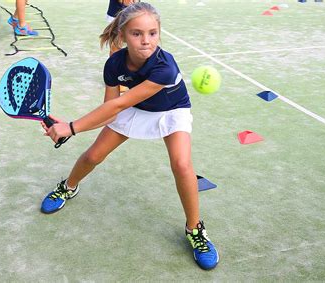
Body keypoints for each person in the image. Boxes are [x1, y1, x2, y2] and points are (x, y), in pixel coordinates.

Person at [40, 2, 219, 270]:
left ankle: (195, 230)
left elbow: (117, 105)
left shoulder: (165, 67)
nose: (146, 41)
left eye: (152, 33)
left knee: (182, 165)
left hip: (172, 109)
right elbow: (109, 111)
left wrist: (72, 127)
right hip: (134, 107)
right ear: (122, 35)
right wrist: (70, 127)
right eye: (137, 34)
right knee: (93, 154)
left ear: (159, 33)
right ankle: (68, 187)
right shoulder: (114, 64)